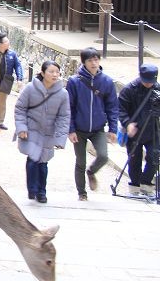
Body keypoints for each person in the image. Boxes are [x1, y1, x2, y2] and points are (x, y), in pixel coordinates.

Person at [65, 47, 119, 201]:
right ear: (84, 62)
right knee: (80, 161)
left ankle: (91, 171)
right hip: (79, 129)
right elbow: (69, 106)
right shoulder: (74, 82)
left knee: (103, 156)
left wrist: (113, 129)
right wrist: (71, 129)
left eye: (96, 59)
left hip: (98, 128)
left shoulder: (106, 81)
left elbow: (112, 106)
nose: (94, 63)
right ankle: (82, 193)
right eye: (90, 60)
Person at [14, 60, 70, 203]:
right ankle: (32, 189)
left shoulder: (63, 94)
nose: (54, 74)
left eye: (57, 72)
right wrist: (21, 128)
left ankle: (41, 191)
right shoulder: (30, 89)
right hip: (31, 129)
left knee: (43, 163)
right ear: (43, 73)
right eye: (51, 71)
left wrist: (60, 138)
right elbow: (20, 108)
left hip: (48, 132)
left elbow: (64, 116)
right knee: (33, 159)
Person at [118, 63, 159, 196]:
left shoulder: (157, 89)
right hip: (134, 130)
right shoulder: (130, 89)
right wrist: (127, 123)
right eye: (146, 81)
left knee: (155, 157)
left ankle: (146, 183)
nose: (148, 84)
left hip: (153, 129)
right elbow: (121, 110)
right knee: (134, 159)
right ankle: (135, 185)